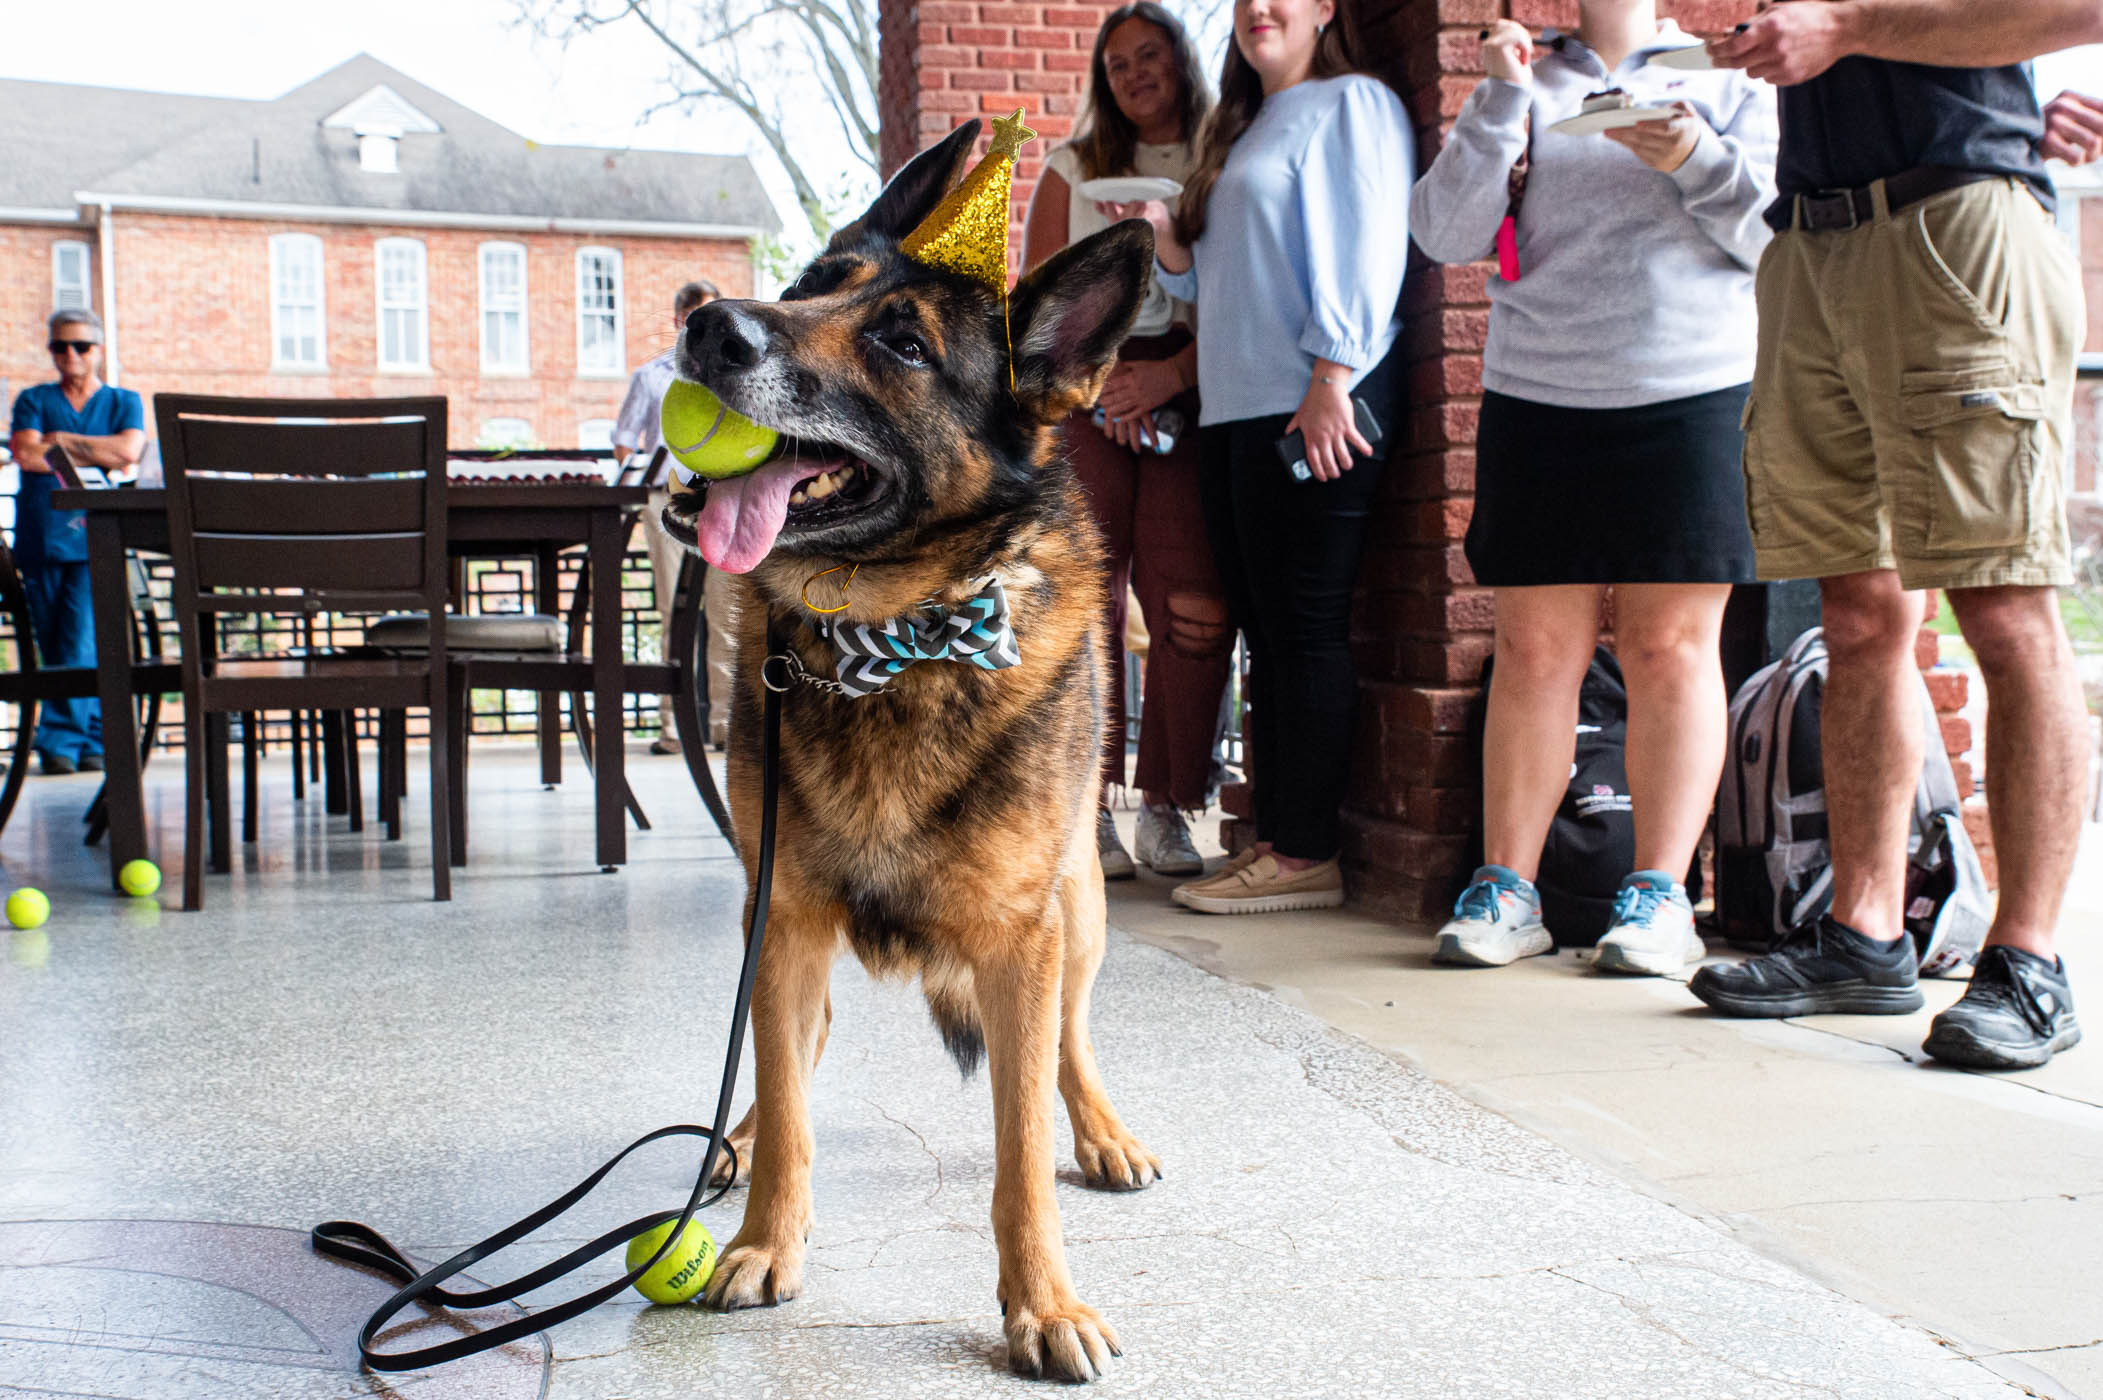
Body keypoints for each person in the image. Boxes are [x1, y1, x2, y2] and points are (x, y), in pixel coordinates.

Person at [1689, 4, 2103, 1068]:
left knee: (2005, 602)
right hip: (1812, 243)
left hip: (1955, 220)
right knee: (1858, 611)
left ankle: (2029, 960)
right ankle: (1865, 934)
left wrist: (1849, 26)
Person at [1408, 0, 1776, 975]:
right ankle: (1507, 888)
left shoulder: (1728, 72)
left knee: (1668, 647)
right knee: (1532, 649)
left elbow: (1777, 238)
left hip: (1691, 384)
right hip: (1539, 390)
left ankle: (1660, 896)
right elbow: (1445, 233)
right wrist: (1499, 96)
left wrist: (1693, 155)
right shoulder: (1529, 73)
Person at [1116, 0, 1413, 914]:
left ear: (1324, 8)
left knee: (1306, 627)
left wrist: (1331, 373)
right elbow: (1218, 282)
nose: (1258, 11)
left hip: (1311, 403)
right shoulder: (1243, 125)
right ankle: (1275, 839)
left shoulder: (1352, 104)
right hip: (1236, 411)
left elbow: (1367, 248)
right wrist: (1168, 242)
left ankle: (1305, 853)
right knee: (1266, 633)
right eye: (1243, 1)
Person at [1022, 2, 1228, 883]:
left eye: (1151, 56)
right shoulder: (1072, 169)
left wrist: (1173, 373)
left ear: (1181, 61)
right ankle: (1086, 810)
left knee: (1194, 602)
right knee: (1086, 601)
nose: (1136, 75)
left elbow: (1246, 288)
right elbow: (1033, 300)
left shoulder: (1224, 158)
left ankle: (1169, 807)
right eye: (1117, 66)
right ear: (1102, 84)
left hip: (1198, 382)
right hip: (1087, 394)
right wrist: (1100, 386)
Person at [6, 310, 144, 775]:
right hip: (40, 532)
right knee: (53, 639)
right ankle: (85, 742)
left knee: (87, 637)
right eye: (60, 346)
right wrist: (94, 448)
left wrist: (62, 440)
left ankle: (69, 740)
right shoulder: (32, 399)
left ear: (99, 350)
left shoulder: (125, 400)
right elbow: (26, 455)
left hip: (98, 532)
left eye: (81, 346)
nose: (70, 355)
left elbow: (128, 452)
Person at [615, 279, 728, 752]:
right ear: (679, 318)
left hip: (722, 501)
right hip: (663, 500)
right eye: (693, 315)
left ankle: (727, 725)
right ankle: (672, 730)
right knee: (671, 612)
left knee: (726, 615)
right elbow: (624, 438)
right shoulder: (650, 376)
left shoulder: (729, 372)